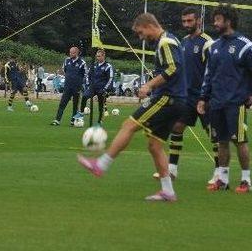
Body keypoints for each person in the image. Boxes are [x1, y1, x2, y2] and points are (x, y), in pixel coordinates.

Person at [77, 13, 186, 202]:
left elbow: (172, 69)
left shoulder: (165, 42)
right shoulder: (168, 40)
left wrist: (149, 85)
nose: (141, 37)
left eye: (141, 32)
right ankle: (168, 191)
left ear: (149, 25)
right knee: (154, 145)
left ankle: (101, 165)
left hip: (169, 98)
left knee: (129, 125)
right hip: (174, 100)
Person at [198, 4, 252, 194]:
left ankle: (246, 180)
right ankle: (223, 179)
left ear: (228, 20)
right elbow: (208, 75)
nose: (215, 23)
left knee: (240, 141)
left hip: (236, 103)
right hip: (216, 102)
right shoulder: (215, 47)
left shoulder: (245, 45)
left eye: (218, 19)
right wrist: (203, 98)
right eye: (215, 19)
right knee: (221, 141)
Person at [153, 7, 217, 183]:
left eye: (190, 21)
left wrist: (207, 96)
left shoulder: (207, 43)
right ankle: (171, 170)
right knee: (177, 128)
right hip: (186, 97)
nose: (187, 24)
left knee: (213, 133)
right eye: (184, 21)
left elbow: (213, 71)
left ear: (198, 21)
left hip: (204, 97)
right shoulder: (183, 42)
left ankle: (219, 173)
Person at [51, 46, 87, 126]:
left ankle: (73, 121)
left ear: (77, 53)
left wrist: (80, 84)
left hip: (77, 87)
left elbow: (85, 75)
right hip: (67, 86)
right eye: (70, 52)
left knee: (75, 105)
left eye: (73, 52)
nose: (71, 54)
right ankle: (57, 120)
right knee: (62, 103)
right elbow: (64, 70)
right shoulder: (67, 60)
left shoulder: (82, 63)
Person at [80, 49, 114, 125]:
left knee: (101, 105)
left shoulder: (108, 66)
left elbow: (110, 78)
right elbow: (88, 75)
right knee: (84, 96)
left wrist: (105, 89)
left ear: (103, 56)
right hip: (92, 87)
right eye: (96, 56)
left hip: (101, 89)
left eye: (99, 56)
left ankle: (99, 121)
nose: (97, 58)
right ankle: (81, 113)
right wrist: (88, 84)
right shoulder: (93, 64)